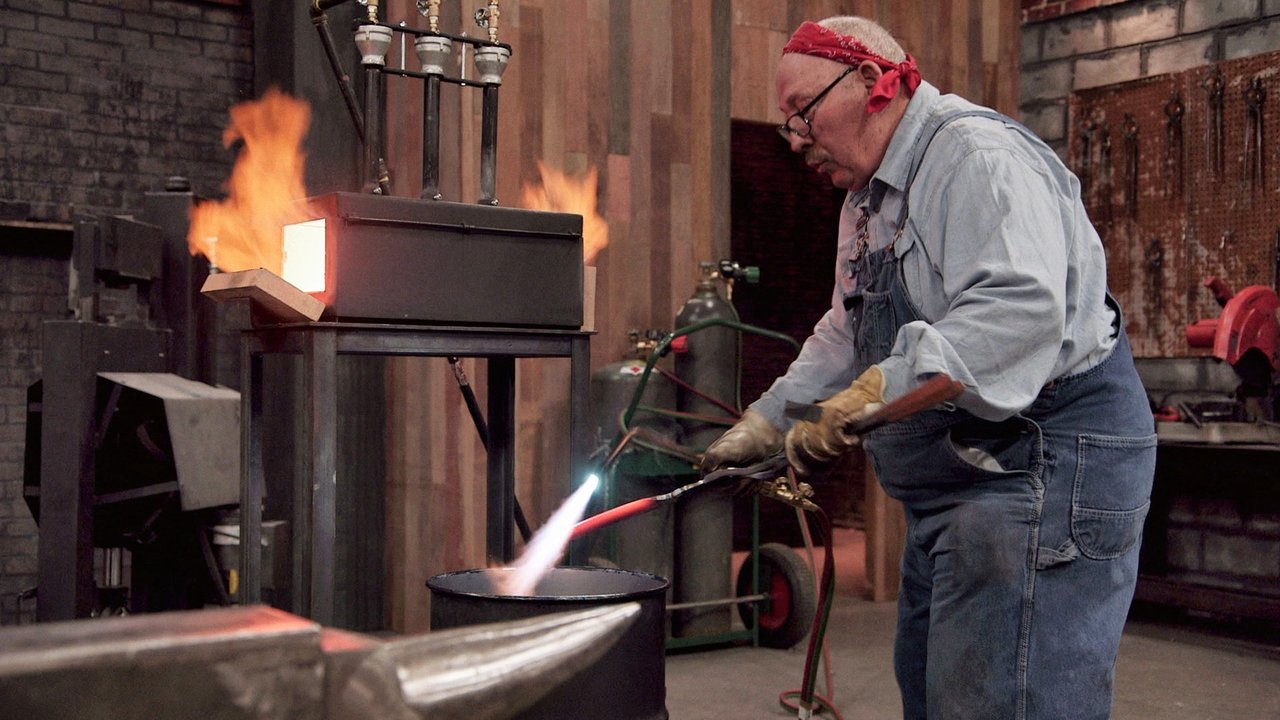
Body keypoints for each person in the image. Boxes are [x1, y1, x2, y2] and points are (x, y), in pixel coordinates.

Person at [702, 15, 1157, 720]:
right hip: (962, 482)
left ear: (871, 82)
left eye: (803, 113)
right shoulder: (867, 200)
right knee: (938, 692)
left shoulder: (974, 157)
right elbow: (848, 330)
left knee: (1005, 704)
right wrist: (771, 419)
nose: (795, 139)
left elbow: (1016, 310)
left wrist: (877, 389)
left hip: (1041, 463)